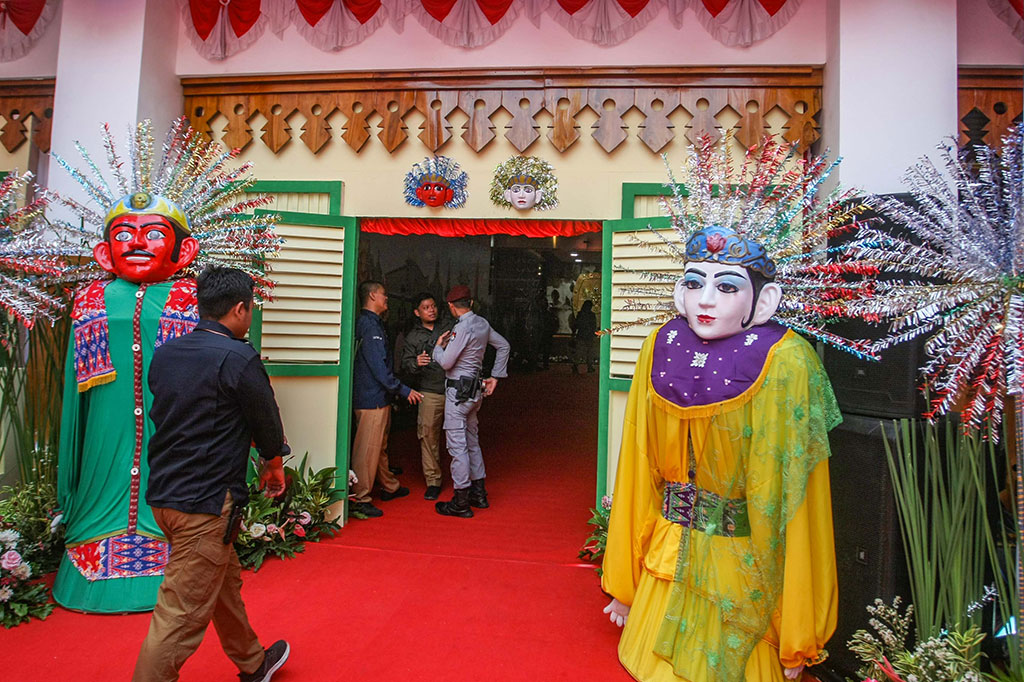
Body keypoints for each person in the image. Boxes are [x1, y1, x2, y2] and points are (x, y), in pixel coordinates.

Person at [601, 225, 838, 681]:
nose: (705, 300)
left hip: (742, 557)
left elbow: (795, 498)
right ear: (678, 292)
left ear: (764, 301)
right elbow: (638, 465)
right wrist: (624, 583)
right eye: (693, 283)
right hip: (669, 552)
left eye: (727, 286)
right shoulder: (662, 345)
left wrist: (796, 629)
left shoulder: (784, 359)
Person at [133, 266, 289, 682]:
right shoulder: (238, 357)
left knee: (221, 581)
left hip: (165, 497)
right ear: (240, 308)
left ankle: (253, 662)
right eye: (251, 307)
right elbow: (267, 422)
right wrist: (274, 466)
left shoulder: (166, 354)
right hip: (205, 505)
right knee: (178, 617)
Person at [54, 192, 200, 613]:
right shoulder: (89, 301)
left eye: (154, 234)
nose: (137, 243)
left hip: (173, 426)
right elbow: (76, 390)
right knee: (103, 482)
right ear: (104, 251)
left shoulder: (193, 299)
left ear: (183, 250)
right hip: (106, 422)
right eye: (123, 234)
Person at [432, 285, 510, 518]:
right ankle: (479, 493)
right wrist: (495, 376)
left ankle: (461, 500)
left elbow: (446, 362)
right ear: (472, 303)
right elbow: (504, 346)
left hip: (457, 394)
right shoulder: (482, 324)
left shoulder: (462, 328)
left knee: (458, 447)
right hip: (475, 392)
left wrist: (437, 348)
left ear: (451, 307)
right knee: (472, 442)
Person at [351, 281, 423, 518]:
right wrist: (402, 390)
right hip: (372, 397)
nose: (387, 298)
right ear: (372, 296)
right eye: (383, 294)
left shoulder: (372, 324)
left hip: (376, 395)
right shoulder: (369, 326)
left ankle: (389, 485)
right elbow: (378, 368)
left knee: (378, 445)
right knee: (367, 449)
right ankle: (360, 497)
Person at [400, 293, 453, 500]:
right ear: (417, 312)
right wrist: (416, 363)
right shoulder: (412, 337)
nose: (431, 310)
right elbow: (404, 365)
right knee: (428, 435)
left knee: (459, 435)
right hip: (429, 391)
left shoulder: (448, 327)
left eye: (433, 306)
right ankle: (433, 480)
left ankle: (463, 479)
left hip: (452, 388)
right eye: (425, 307)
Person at [571, 299, 598, 374]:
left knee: (579, 352)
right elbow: (594, 326)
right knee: (589, 352)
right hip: (589, 336)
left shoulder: (580, 314)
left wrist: (573, 334)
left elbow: (576, 324)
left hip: (581, 335)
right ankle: (589, 366)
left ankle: (575, 366)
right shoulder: (592, 315)